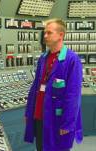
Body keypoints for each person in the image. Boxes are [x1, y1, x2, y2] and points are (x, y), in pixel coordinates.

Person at [24, 18, 83, 151]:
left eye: (49, 33)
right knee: (41, 148)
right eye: (45, 33)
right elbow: (35, 88)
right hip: (39, 117)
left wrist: (67, 124)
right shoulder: (43, 58)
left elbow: (73, 96)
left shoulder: (72, 60)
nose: (45, 36)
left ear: (61, 35)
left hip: (57, 120)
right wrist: (29, 112)